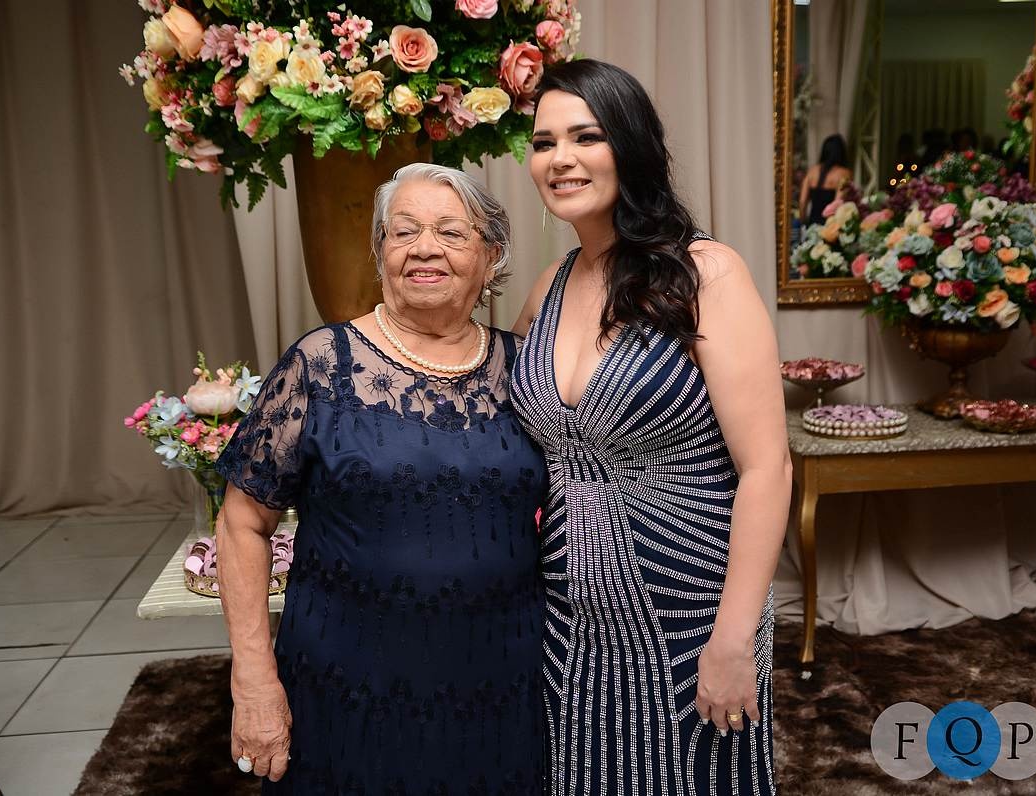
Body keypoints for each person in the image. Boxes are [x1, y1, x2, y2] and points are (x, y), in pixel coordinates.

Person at [215, 163, 548, 793]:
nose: (425, 248)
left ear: (491, 256)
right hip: (347, 689)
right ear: (380, 253)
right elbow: (241, 522)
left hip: (503, 686)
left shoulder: (528, 369)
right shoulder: (321, 364)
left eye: (451, 232)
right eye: (404, 231)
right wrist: (253, 680)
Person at [511, 59, 791, 794]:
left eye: (586, 137)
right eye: (543, 143)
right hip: (569, 613)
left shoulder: (706, 274)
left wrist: (733, 639)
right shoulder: (547, 288)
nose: (560, 159)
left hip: (693, 603)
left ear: (630, 145)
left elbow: (767, 468)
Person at [799, 133, 852, 224]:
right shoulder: (844, 174)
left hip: (812, 224)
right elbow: (837, 204)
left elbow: (802, 202)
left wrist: (803, 222)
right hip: (830, 226)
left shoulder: (812, 172)